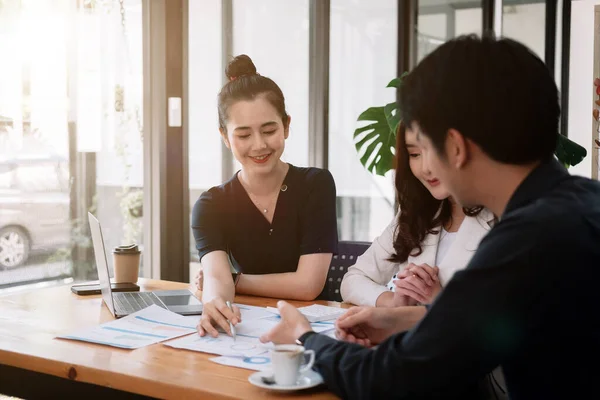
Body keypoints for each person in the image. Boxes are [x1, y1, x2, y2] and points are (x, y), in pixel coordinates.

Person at [259, 35, 600, 399]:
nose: (422, 166)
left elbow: (390, 379)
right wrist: (400, 319)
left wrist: (305, 338)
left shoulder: (524, 242)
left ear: (454, 147)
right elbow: (490, 324)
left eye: (425, 146)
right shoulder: (581, 204)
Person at [192, 55, 338, 338]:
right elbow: (215, 278)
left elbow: (309, 285)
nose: (259, 145)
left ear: (286, 125)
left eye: (269, 130)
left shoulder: (315, 185)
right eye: (243, 135)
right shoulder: (211, 205)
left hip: (318, 329)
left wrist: (236, 281)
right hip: (250, 327)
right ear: (224, 136)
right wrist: (215, 302)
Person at [341, 123, 494, 308]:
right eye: (414, 154)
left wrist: (439, 301)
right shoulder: (415, 215)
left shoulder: (503, 217)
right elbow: (354, 279)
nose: (425, 168)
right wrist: (393, 302)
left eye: (434, 151)